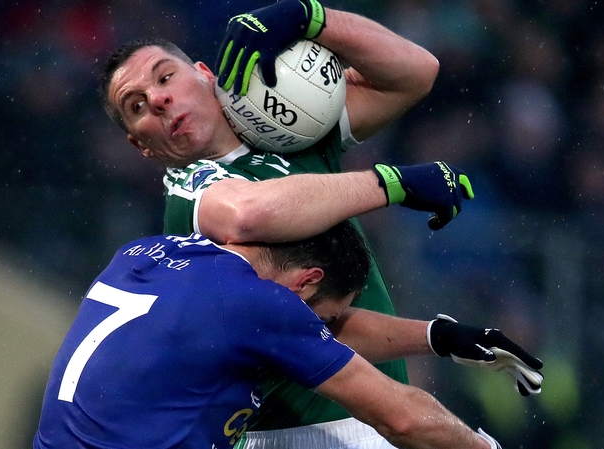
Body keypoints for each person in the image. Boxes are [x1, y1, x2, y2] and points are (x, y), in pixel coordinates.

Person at [98, 0, 542, 445]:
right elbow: (250, 213)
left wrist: (310, 17)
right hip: (292, 431)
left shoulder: (287, 127)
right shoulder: (190, 198)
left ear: (205, 73)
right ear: (144, 147)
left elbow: (415, 72)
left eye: (164, 76)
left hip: (378, 413)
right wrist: (391, 182)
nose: (157, 99)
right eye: (137, 106)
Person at [33, 221, 501, 448]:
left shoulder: (143, 252)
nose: (321, 334)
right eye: (324, 321)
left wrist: (438, 336)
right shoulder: (263, 306)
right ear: (306, 281)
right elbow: (401, 418)